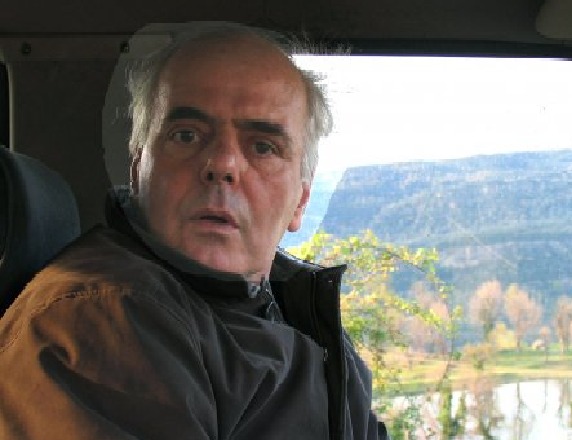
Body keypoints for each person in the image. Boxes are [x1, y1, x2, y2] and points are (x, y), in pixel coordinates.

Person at [0, 22, 388, 439]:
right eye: (186, 136)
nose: (223, 164)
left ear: (301, 201)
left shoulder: (296, 310)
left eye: (263, 146)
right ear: (138, 172)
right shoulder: (100, 318)